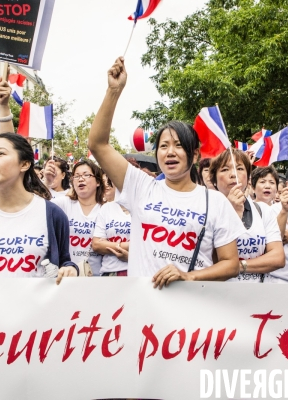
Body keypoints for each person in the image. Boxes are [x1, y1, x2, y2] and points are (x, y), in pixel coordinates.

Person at [88, 57, 244, 288]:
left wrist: (188, 276)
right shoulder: (141, 186)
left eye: (179, 145)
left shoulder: (215, 202)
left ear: (195, 155)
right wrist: (113, 91)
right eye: (163, 146)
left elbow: (231, 264)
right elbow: (98, 144)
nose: (170, 152)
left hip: (189, 311)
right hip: (141, 307)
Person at [0, 134, 78, 294]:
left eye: (0, 153)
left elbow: (63, 262)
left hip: (38, 313)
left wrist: (70, 269)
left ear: (25, 164)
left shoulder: (52, 214)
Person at [209, 149, 284, 282]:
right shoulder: (206, 211)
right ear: (214, 179)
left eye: (239, 168)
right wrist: (233, 215)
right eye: (225, 169)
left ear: (248, 177)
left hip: (256, 295)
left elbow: (277, 258)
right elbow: (209, 258)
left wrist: (237, 266)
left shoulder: (263, 210)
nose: (233, 174)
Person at [52, 159, 105, 276]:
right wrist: (47, 181)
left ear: (98, 181)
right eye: (76, 176)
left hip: (98, 278)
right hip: (68, 276)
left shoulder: (106, 209)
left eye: (86, 175)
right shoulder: (63, 204)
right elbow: (38, 206)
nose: (81, 179)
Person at [92, 197, 131, 277]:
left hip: (138, 272)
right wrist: (128, 246)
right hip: (110, 272)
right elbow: (96, 245)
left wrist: (131, 257)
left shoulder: (146, 206)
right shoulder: (107, 208)